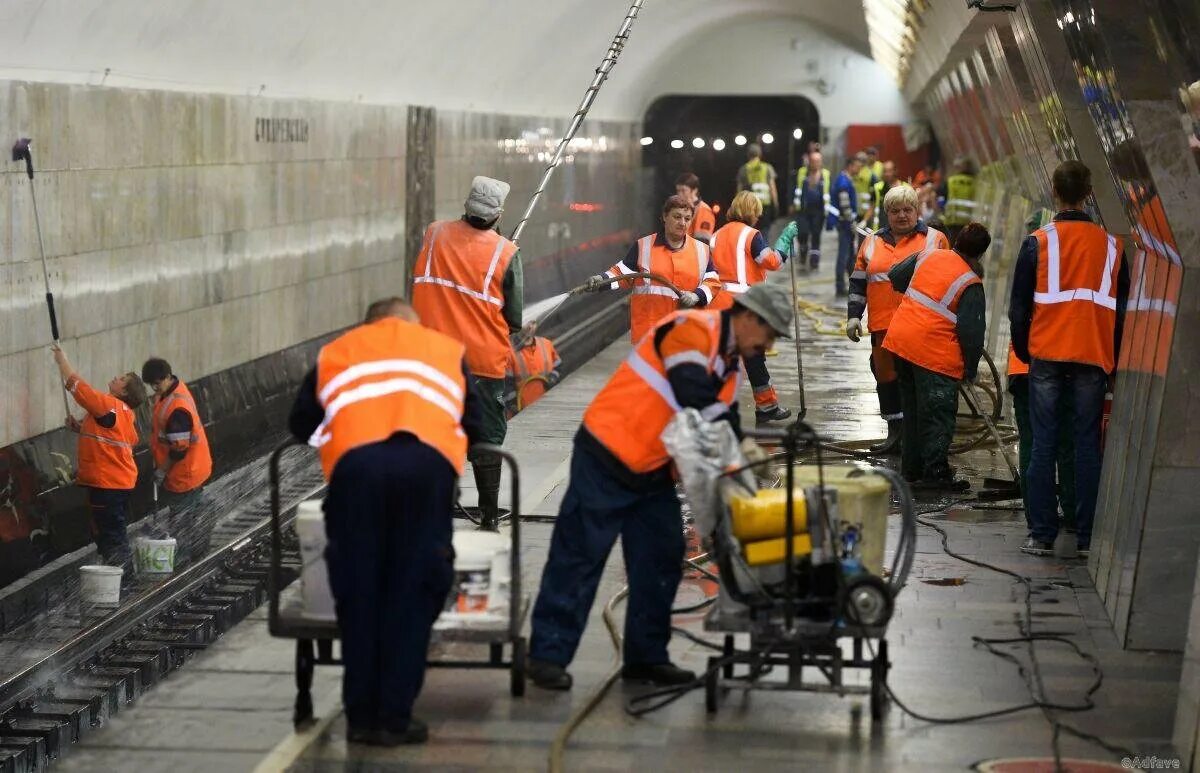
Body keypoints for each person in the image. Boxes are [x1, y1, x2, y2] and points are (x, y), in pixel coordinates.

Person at [527, 283, 794, 691]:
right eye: (770, 334)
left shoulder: (730, 366)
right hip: (607, 454)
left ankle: (646, 657)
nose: (768, 347)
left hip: (653, 472)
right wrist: (738, 444)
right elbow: (691, 390)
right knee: (580, 554)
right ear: (749, 317)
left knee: (662, 556)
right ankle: (547, 656)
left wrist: (741, 460)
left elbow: (722, 421)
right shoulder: (692, 327)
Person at [288, 297, 483, 747]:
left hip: (357, 477)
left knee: (360, 596)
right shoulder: (445, 349)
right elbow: (476, 422)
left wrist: (343, 437)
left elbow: (301, 424)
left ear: (369, 324)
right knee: (412, 595)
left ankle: (361, 719)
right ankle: (395, 718)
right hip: (425, 474)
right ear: (411, 321)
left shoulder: (338, 351)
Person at [1009, 161, 1129, 558]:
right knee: (1085, 444)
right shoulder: (1112, 246)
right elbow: (1122, 309)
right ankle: (1087, 538)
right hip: (1093, 357)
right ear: (1088, 193)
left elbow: (1018, 308)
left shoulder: (1038, 242)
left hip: (1046, 354)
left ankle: (1041, 535)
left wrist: (1026, 350)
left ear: (1055, 193)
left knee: (1043, 443)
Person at [411, 176, 523, 531]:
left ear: (467, 206)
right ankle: (489, 513)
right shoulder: (506, 253)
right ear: (498, 214)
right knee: (486, 436)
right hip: (482, 363)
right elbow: (515, 317)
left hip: (432, 358)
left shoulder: (433, 233)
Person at [883, 223, 989, 491]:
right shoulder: (970, 282)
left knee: (913, 409)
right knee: (937, 413)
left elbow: (895, 275)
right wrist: (970, 369)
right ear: (980, 255)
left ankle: (911, 469)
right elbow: (972, 333)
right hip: (933, 353)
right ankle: (935, 473)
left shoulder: (929, 255)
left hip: (901, 341)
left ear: (955, 241)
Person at [847, 184, 950, 454]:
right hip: (883, 327)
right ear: (887, 214)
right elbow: (858, 283)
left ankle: (920, 440)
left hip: (921, 329)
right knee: (886, 378)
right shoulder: (871, 243)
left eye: (907, 209)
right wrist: (853, 317)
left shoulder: (935, 240)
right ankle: (896, 435)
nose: (902, 216)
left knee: (919, 382)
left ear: (917, 211)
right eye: (895, 211)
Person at [1006, 210, 1076, 536]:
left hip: (1026, 366)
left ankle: (1037, 519)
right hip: (1061, 365)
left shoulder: (1032, 259)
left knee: (1034, 444)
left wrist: (1023, 354)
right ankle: (1072, 516)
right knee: (1066, 444)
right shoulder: (1076, 268)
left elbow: (1018, 313)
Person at [51, 345, 145, 570]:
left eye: (122, 378)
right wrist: (80, 428)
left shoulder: (109, 405)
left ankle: (121, 581)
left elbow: (79, 389)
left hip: (107, 485)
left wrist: (62, 361)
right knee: (112, 531)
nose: (116, 377)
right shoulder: (124, 414)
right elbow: (115, 438)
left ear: (124, 392)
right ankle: (119, 577)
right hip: (119, 485)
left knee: (110, 535)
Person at [582, 194, 721, 343]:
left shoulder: (702, 251)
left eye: (687, 219)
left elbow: (713, 281)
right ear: (664, 216)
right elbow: (622, 274)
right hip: (649, 337)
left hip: (687, 335)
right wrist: (601, 280)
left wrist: (696, 296)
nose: (682, 223)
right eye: (677, 217)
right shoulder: (644, 247)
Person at [708, 191, 791, 424]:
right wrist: (784, 245)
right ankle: (766, 407)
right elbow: (771, 262)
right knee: (754, 358)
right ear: (751, 212)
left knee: (722, 359)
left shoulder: (715, 236)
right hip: (744, 306)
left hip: (717, 304)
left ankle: (713, 406)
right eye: (757, 212)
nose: (759, 217)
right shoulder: (752, 235)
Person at [140, 357, 213, 563]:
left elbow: (179, 450)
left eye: (156, 384)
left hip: (185, 472)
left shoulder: (177, 407)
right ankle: (200, 553)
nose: (154, 389)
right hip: (195, 468)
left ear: (166, 377)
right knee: (194, 512)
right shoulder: (174, 390)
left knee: (180, 520)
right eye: (151, 385)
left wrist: (162, 471)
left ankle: (181, 563)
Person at [789, 150, 834, 270]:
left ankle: (814, 260)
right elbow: (793, 188)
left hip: (819, 211)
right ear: (809, 161)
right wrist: (791, 203)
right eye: (813, 161)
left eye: (817, 161)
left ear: (821, 162)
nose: (815, 163)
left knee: (816, 235)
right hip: (803, 210)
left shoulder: (825, 174)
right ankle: (803, 251)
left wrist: (830, 211)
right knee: (802, 233)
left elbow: (830, 192)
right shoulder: (802, 173)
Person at [505, 326, 562, 415]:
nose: (530, 326)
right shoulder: (507, 351)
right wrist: (513, 405)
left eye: (533, 323)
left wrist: (553, 378)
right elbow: (506, 384)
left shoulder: (546, 344)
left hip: (548, 407)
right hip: (522, 411)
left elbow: (557, 365)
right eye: (527, 322)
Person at [830, 155, 863, 297]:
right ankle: (840, 286)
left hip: (844, 223)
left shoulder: (844, 180)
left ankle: (851, 284)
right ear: (850, 166)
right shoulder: (844, 182)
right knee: (844, 256)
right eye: (857, 166)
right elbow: (845, 204)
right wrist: (851, 222)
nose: (859, 169)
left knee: (850, 255)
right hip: (845, 224)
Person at [736, 143, 779, 230]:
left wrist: (737, 208)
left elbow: (739, 191)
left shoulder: (743, 169)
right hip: (764, 206)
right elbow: (772, 188)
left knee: (750, 232)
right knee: (764, 232)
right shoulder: (767, 168)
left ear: (748, 154)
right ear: (760, 154)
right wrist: (776, 205)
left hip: (749, 206)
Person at [939, 156, 978, 244]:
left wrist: (943, 213)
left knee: (953, 246)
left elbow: (941, 201)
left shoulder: (951, 181)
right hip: (969, 222)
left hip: (952, 221)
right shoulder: (975, 182)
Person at [675, 173, 716, 244]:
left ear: (694, 190)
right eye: (678, 191)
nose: (680, 194)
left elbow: (702, 241)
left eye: (683, 191)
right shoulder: (680, 209)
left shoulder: (703, 210)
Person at [850, 151, 877, 248]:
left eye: (856, 162)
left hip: (866, 217)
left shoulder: (872, 177)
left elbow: (874, 201)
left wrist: (865, 220)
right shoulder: (853, 176)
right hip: (854, 215)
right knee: (853, 245)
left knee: (864, 245)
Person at [865, 160, 900, 232]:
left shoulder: (904, 188)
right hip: (880, 230)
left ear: (895, 171)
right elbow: (871, 206)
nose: (886, 174)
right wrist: (864, 221)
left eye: (889, 171)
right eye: (884, 171)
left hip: (899, 229)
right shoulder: (877, 187)